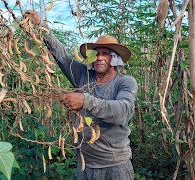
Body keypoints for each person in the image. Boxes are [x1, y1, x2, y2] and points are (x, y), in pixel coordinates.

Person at [26, 11, 138, 180]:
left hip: (115, 167)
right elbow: (61, 55)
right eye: (96, 53)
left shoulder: (125, 82)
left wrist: (86, 101)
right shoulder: (82, 75)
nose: (100, 57)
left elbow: (124, 111)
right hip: (85, 165)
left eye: (105, 54)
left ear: (114, 58)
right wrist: (41, 26)